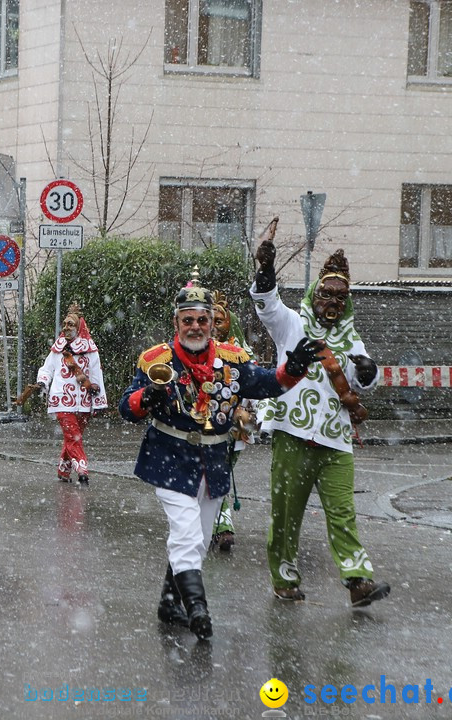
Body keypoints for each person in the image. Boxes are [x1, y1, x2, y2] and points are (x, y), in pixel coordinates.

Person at [118, 269, 322, 640]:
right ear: (176, 322)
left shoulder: (233, 357)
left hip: (213, 463)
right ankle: (198, 608)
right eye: (188, 320)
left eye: (202, 320)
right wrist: (144, 398)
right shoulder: (155, 359)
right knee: (187, 536)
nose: (195, 327)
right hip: (169, 458)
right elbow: (124, 407)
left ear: (212, 322)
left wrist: (292, 370)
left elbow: (265, 384)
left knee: (198, 534)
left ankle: (168, 601)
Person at [252, 220, 390, 608]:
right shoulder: (292, 326)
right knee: (286, 515)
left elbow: (366, 382)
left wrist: (367, 371)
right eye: (326, 293)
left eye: (340, 296)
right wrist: (265, 270)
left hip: (335, 441)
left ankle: (357, 580)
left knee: (343, 511)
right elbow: (267, 304)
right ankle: (284, 578)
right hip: (293, 437)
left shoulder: (352, 338)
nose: (332, 301)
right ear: (314, 294)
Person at [29, 302, 107, 485]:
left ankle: (63, 470)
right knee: (73, 436)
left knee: (72, 437)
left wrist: (99, 402)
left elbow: (96, 376)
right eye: (64, 324)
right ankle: (82, 469)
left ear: (79, 327)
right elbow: (46, 369)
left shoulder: (90, 350)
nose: (66, 327)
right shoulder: (57, 349)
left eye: (70, 324)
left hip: (85, 402)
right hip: (62, 401)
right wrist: (42, 381)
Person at [208, 290, 255, 552]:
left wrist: (247, 419)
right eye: (210, 320)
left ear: (230, 323)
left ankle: (220, 524)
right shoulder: (202, 349)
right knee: (216, 471)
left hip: (238, 424)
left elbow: (258, 387)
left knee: (221, 471)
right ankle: (221, 525)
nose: (214, 327)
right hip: (210, 422)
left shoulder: (242, 353)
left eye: (220, 321)